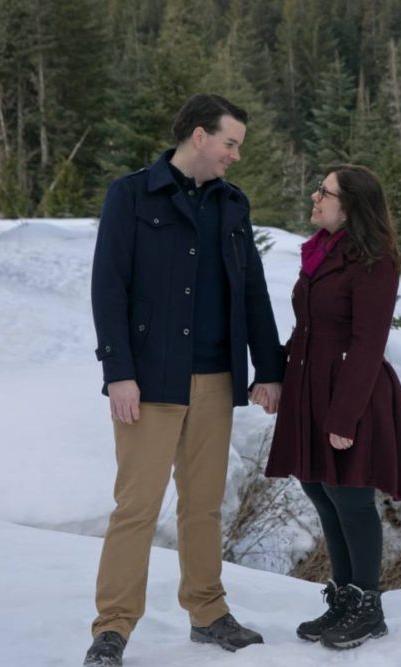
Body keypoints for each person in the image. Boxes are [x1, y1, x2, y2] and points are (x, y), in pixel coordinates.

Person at [85, 93, 284, 667]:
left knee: (203, 505)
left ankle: (208, 611)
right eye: (230, 143)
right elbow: (108, 287)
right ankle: (112, 629)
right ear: (199, 136)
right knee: (136, 508)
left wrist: (268, 370)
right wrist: (118, 372)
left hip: (216, 379)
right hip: (149, 381)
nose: (235, 156)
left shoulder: (232, 205)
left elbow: (252, 291)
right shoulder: (131, 195)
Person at [265, 164, 401, 650]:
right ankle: (343, 597)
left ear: (350, 205)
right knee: (319, 489)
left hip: (350, 391)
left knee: (350, 495)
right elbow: (308, 325)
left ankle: (368, 606)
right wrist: (275, 373)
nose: (315, 198)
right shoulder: (319, 252)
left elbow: (368, 342)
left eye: (325, 192)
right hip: (308, 385)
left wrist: (343, 416)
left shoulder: (374, 260)